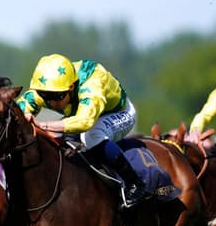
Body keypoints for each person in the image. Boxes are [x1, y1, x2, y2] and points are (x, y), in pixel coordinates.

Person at [18, 53, 149, 207]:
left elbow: (84, 122)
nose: (51, 102)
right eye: (45, 96)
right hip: (81, 115)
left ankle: (134, 182)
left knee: (91, 135)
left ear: (72, 87)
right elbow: (17, 112)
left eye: (57, 96)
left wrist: (43, 125)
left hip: (118, 113)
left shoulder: (92, 83)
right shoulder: (47, 88)